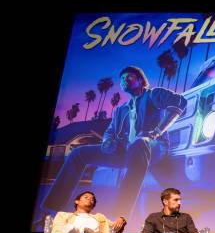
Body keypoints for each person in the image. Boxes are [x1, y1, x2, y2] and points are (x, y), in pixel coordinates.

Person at [39, 66, 187, 221]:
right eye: (122, 78)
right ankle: (50, 211)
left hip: (154, 146)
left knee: (139, 143)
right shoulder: (121, 110)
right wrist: (107, 142)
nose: (124, 80)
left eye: (129, 77)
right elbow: (110, 131)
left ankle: (120, 217)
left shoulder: (153, 94)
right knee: (78, 153)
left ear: (140, 80)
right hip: (127, 151)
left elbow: (180, 103)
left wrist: (157, 131)